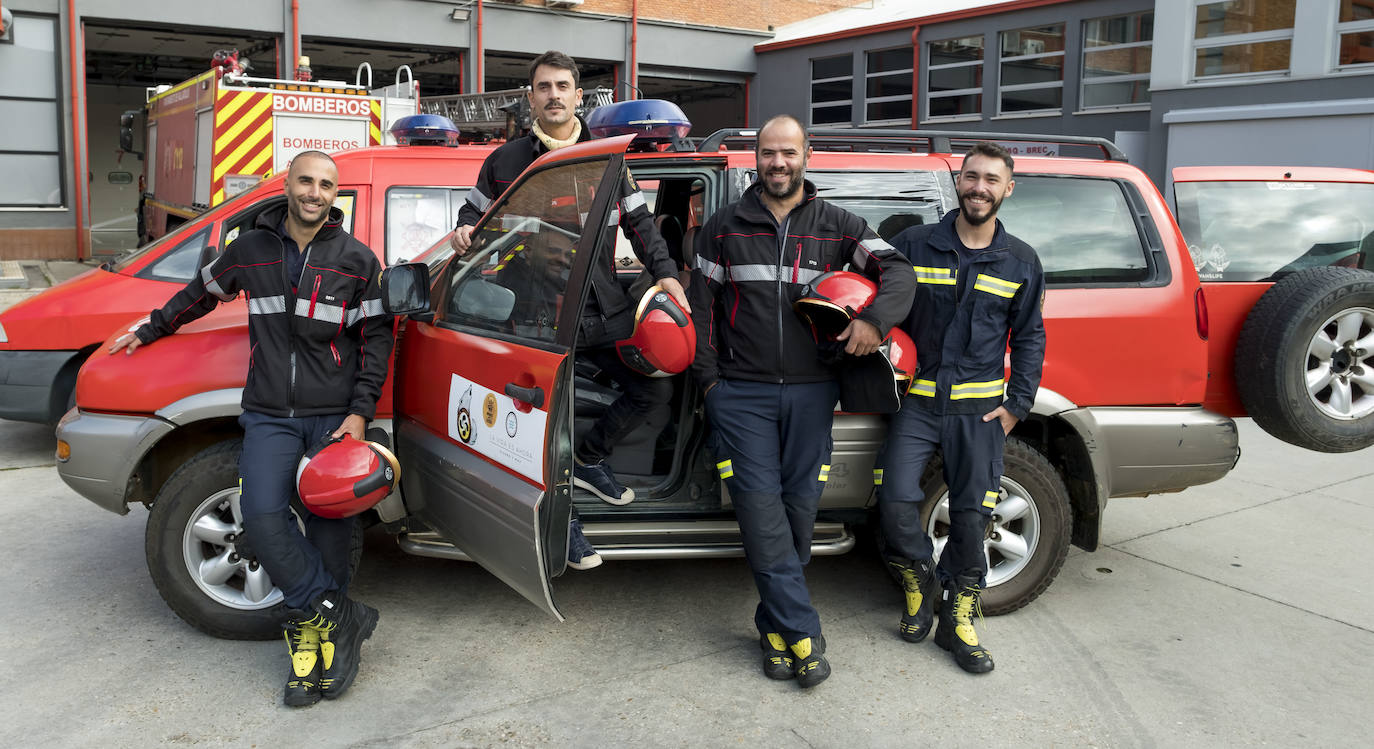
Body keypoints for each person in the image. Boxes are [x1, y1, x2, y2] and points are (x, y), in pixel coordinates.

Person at [108, 150, 393, 706]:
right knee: (262, 520)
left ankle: (316, 647)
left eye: (326, 185)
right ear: (288, 185)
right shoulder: (251, 250)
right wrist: (150, 329)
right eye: (306, 180)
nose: (315, 192)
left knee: (329, 534)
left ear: (336, 196)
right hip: (268, 413)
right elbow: (198, 294)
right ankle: (342, 616)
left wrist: (359, 413)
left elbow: (376, 340)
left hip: (334, 420)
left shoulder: (358, 261)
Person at [688, 115, 917, 688]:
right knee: (761, 514)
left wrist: (874, 322)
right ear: (756, 158)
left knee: (798, 513)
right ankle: (806, 633)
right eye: (768, 153)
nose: (778, 163)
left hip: (816, 394)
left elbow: (898, 271)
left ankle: (773, 628)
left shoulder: (839, 225)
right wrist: (712, 386)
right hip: (741, 396)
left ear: (806, 155)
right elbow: (701, 314)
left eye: (788, 152)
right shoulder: (723, 227)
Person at [450, 50, 687, 569]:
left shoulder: (608, 156)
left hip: (603, 308)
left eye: (562, 86)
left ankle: (590, 457)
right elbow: (471, 214)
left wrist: (667, 274)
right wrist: (465, 229)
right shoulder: (505, 161)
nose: (553, 95)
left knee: (654, 388)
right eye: (543, 87)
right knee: (541, 426)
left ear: (579, 95)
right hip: (534, 317)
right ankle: (566, 523)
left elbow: (642, 226)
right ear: (531, 97)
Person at [876, 141, 1046, 674]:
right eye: (971, 176)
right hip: (919, 406)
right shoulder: (914, 244)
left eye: (991, 180)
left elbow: (1031, 335)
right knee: (896, 504)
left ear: (1007, 189)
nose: (979, 187)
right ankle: (919, 579)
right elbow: (872, 291)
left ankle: (959, 615)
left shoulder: (1021, 260)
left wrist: (1018, 403)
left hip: (980, 414)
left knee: (974, 519)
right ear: (959, 181)